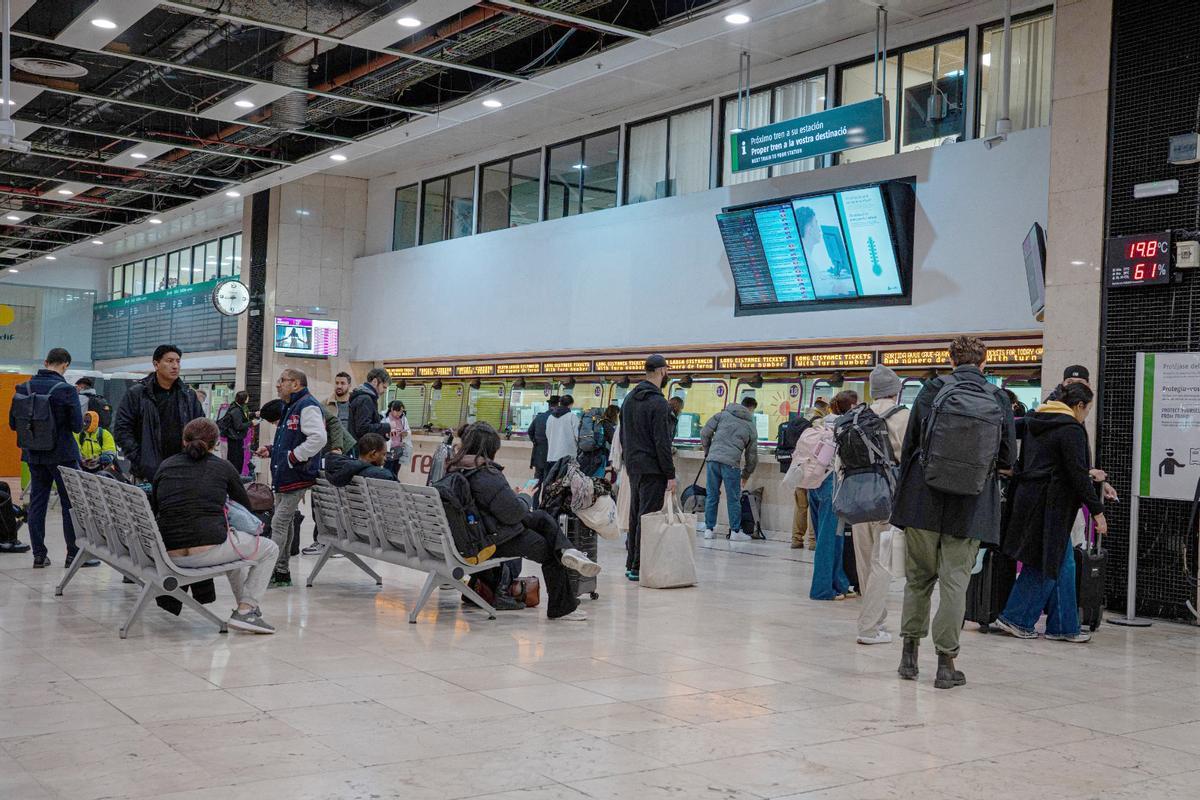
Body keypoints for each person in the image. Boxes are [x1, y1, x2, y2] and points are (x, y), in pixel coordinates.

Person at [892, 335, 1016, 689]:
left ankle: (908, 658)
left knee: (918, 580)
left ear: (951, 360)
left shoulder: (931, 390)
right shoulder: (997, 398)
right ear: (984, 362)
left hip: (923, 501)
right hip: (972, 504)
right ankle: (946, 665)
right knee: (954, 584)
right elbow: (1008, 459)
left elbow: (911, 445)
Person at [448, 422, 599, 620]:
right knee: (549, 549)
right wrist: (526, 496)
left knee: (542, 518)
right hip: (488, 540)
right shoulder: (485, 474)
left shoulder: (454, 468)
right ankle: (562, 601)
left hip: (471, 533)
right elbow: (514, 513)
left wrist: (513, 499)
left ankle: (568, 550)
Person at [996, 383, 1106, 643]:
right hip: (1053, 505)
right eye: (1087, 409)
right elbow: (1078, 476)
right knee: (1046, 562)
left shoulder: (1035, 419)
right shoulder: (1071, 430)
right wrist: (1097, 511)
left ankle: (1063, 625)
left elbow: (1008, 431)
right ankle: (1016, 616)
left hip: (1028, 497)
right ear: (1078, 406)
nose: (1086, 415)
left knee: (1063, 562)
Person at [153, 418, 279, 634]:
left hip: (168, 553)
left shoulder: (166, 466)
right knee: (269, 549)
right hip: (207, 551)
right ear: (215, 444)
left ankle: (246, 609)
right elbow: (245, 506)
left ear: (184, 441)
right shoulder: (223, 467)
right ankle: (246, 609)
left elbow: (157, 507)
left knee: (233, 551)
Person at [7, 348, 94, 568]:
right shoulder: (66, 390)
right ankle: (73, 555)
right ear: (65, 365)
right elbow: (76, 425)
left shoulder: (23, 387)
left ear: (46, 362)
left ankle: (39, 555)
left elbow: (13, 423)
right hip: (63, 455)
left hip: (34, 454)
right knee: (69, 504)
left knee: (37, 502)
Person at [851, 365, 910, 645]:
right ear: (896, 391)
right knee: (883, 563)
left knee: (865, 563)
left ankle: (877, 618)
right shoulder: (903, 417)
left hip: (857, 498)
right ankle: (868, 627)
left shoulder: (855, 417)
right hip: (888, 498)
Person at [254, 368, 327, 587]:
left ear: (296, 384)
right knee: (284, 522)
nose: (278, 385)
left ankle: (273, 571)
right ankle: (282, 571)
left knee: (279, 522)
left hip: (297, 474)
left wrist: (294, 457)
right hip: (286, 474)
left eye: (282, 381)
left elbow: (318, 438)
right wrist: (272, 449)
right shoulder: (290, 407)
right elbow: (290, 439)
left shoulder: (307, 405)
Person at [619, 355, 677, 581]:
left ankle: (631, 561)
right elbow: (662, 442)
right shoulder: (659, 403)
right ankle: (638, 566)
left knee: (635, 514)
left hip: (633, 466)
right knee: (648, 517)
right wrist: (670, 474)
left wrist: (628, 459)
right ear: (662, 372)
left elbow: (623, 434)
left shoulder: (630, 399)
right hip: (653, 468)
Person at [113, 344, 205, 482]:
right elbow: (122, 429)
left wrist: (194, 455)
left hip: (182, 469)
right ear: (156, 364)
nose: (175, 366)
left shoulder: (188, 395)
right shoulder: (138, 393)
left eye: (178, 361)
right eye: (169, 361)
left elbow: (201, 427)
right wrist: (140, 460)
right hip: (147, 473)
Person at [809, 390, 856, 601]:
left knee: (826, 537)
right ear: (852, 406)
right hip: (833, 484)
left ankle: (839, 583)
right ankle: (821, 589)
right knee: (830, 539)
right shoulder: (846, 425)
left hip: (815, 482)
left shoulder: (821, 422)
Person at [699, 396, 759, 541]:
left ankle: (709, 529)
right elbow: (752, 456)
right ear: (751, 409)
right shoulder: (750, 425)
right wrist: (746, 474)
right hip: (731, 463)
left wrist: (708, 451)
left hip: (713, 460)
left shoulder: (723, 414)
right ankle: (735, 531)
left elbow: (704, 433)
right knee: (733, 498)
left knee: (712, 495)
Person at [776, 411, 813, 549]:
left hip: (798, 472)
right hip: (812, 473)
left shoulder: (791, 428)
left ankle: (796, 539)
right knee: (813, 508)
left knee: (800, 507)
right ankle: (813, 541)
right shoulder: (812, 431)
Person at [325, 433, 394, 486]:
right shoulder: (383, 476)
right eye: (384, 454)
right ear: (373, 454)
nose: (385, 458)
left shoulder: (336, 468)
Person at [348, 368, 392, 440]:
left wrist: (385, 435)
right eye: (384, 387)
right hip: (361, 448)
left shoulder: (366, 397)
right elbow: (363, 429)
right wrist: (387, 427)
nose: (384, 391)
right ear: (375, 382)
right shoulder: (365, 399)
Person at [218, 390, 253, 475]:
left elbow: (242, 418)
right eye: (247, 397)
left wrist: (254, 414)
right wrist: (251, 423)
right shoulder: (236, 410)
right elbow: (239, 426)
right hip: (234, 438)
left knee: (236, 460)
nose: (248, 398)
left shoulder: (237, 407)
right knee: (236, 461)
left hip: (235, 438)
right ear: (244, 399)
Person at [76, 411, 118, 475]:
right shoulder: (78, 433)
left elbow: (110, 455)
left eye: (88, 422)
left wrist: (99, 460)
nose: (84, 424)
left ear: (94, 423)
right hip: (81, 467)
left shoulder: (105, 434)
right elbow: (75, 451)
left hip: (100, 468)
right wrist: (81, 459)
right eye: (83, 421)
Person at [527, 396, 559, 483]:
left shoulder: (539, 417)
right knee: (548, 481)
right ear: (558, 405)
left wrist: (535, 441)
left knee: (537, 480)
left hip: (539, 454)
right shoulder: (558, 419)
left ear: (549, 405)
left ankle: (534, 496)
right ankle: (545, 497)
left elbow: (530, 431)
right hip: (552, 455)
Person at [546, 394, 579, 463]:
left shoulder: (550, 417)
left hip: (552, 455)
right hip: (568, 455)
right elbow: (577, 436)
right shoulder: (572, 417)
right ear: (570, 404)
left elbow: (547, 434)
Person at [384, 401, 412, 478]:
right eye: (398, 411)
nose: (400, 413)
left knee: (396, 470)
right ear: (392, 409)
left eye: (401, 411)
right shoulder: (385, 417)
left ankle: (394, 483)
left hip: (399, 448)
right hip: (389, 449)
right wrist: (390, 432)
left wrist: (405, 433)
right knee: (388, 469)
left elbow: (408, 430)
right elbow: (382, 432)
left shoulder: (403, 418)